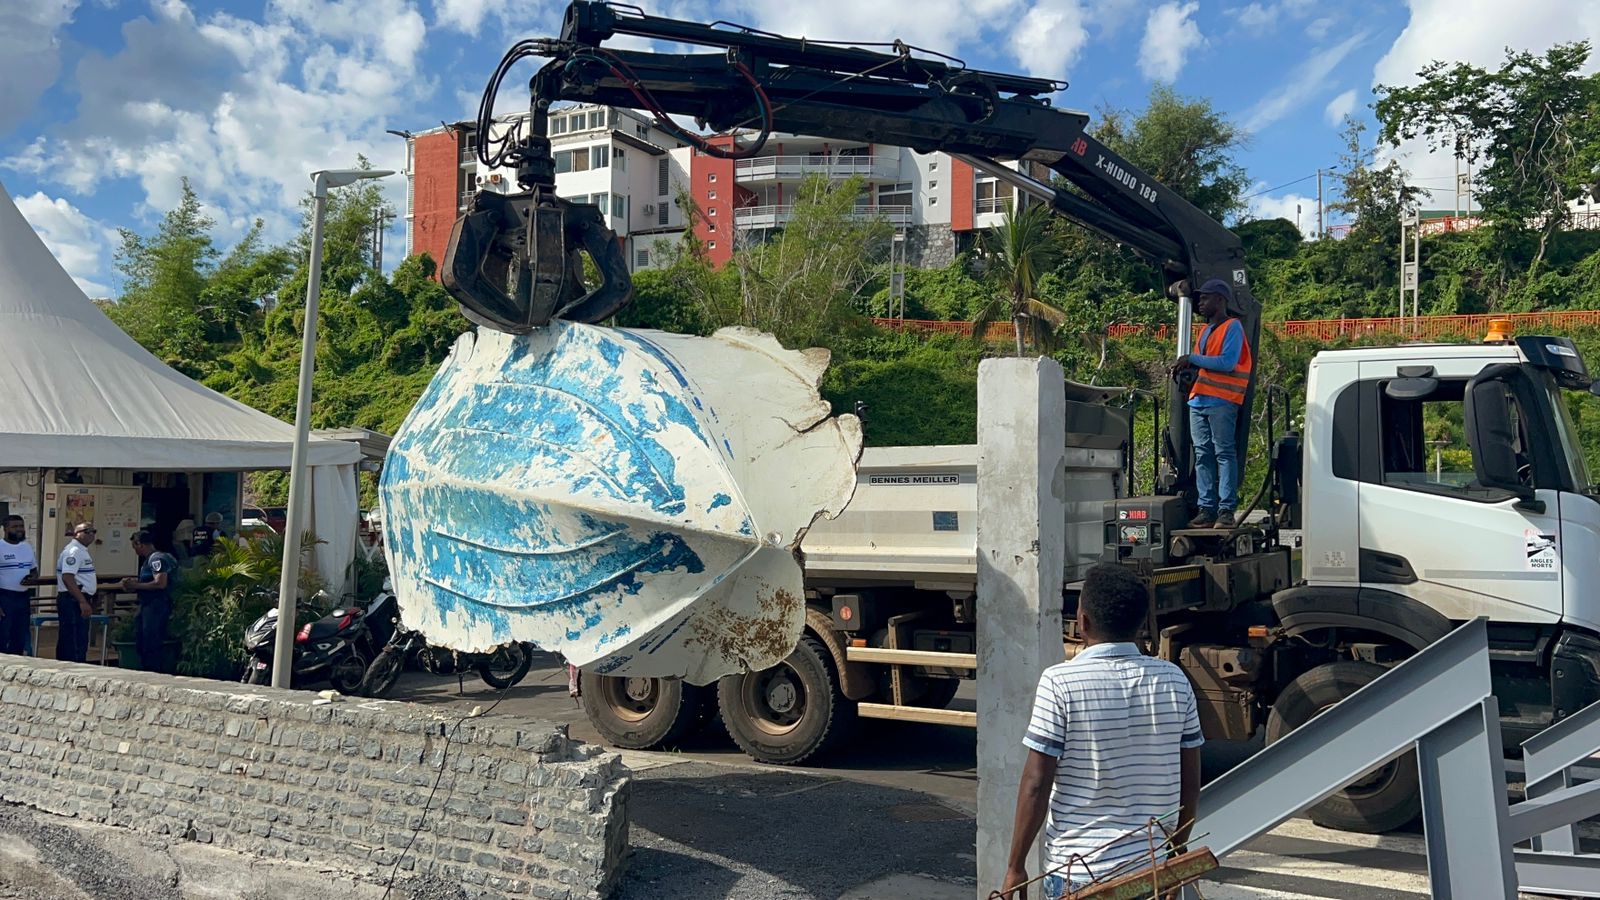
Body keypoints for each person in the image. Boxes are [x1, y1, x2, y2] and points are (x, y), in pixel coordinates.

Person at [1002, 563, 1203, 899]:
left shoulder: (1060, 683)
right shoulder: (1174, 681)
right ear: (1141, 624)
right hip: (1149, 870)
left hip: (1078, 875)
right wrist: (1176, 852)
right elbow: (1190, 781)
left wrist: (1015, 866)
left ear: (1083, 621)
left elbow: (1036, 783)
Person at [1175, 278, 1252, 530]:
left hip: (1223, 400)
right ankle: (1207, 509)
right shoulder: (1205, 332)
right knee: (1202, 454)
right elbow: (1202, 365)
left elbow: (1226, 362)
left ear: (1220, 300)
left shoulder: (1233, 327)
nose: (1200, 304)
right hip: (1199, 400)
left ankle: (1226, 510)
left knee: (1223, 452)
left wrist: (1192, 359)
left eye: (1205, 299)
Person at [121, 531, 178, 673]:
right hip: (148, 604)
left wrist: (136, 586)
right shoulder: (150, 559)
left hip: (156, 604)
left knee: (151, 638)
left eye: (134, 547)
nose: (135, 551)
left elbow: (160, 583)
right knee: (142, 637)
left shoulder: (156, 559)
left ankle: (154, 668)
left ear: (139, 544)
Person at [55, 522, 97, 663]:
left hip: (79, 598)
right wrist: (82, 601)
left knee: (80, 638)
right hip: (73, 599)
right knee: (73, 640)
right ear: (76, 534)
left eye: (93, 531)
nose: (91, 534)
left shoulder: (82, 550)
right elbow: (68, 577)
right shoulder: (73, 551)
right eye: (87, 531)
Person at [0, 515, 39, 655]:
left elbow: (34, 570)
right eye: (15, 526)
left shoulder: (27, 547)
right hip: (4, 597)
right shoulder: (1, 547)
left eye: (21, 526)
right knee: (3, 635)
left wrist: (32, 578)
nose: (19, 529)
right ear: (5, 529)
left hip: (23, 597)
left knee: (20, 634)